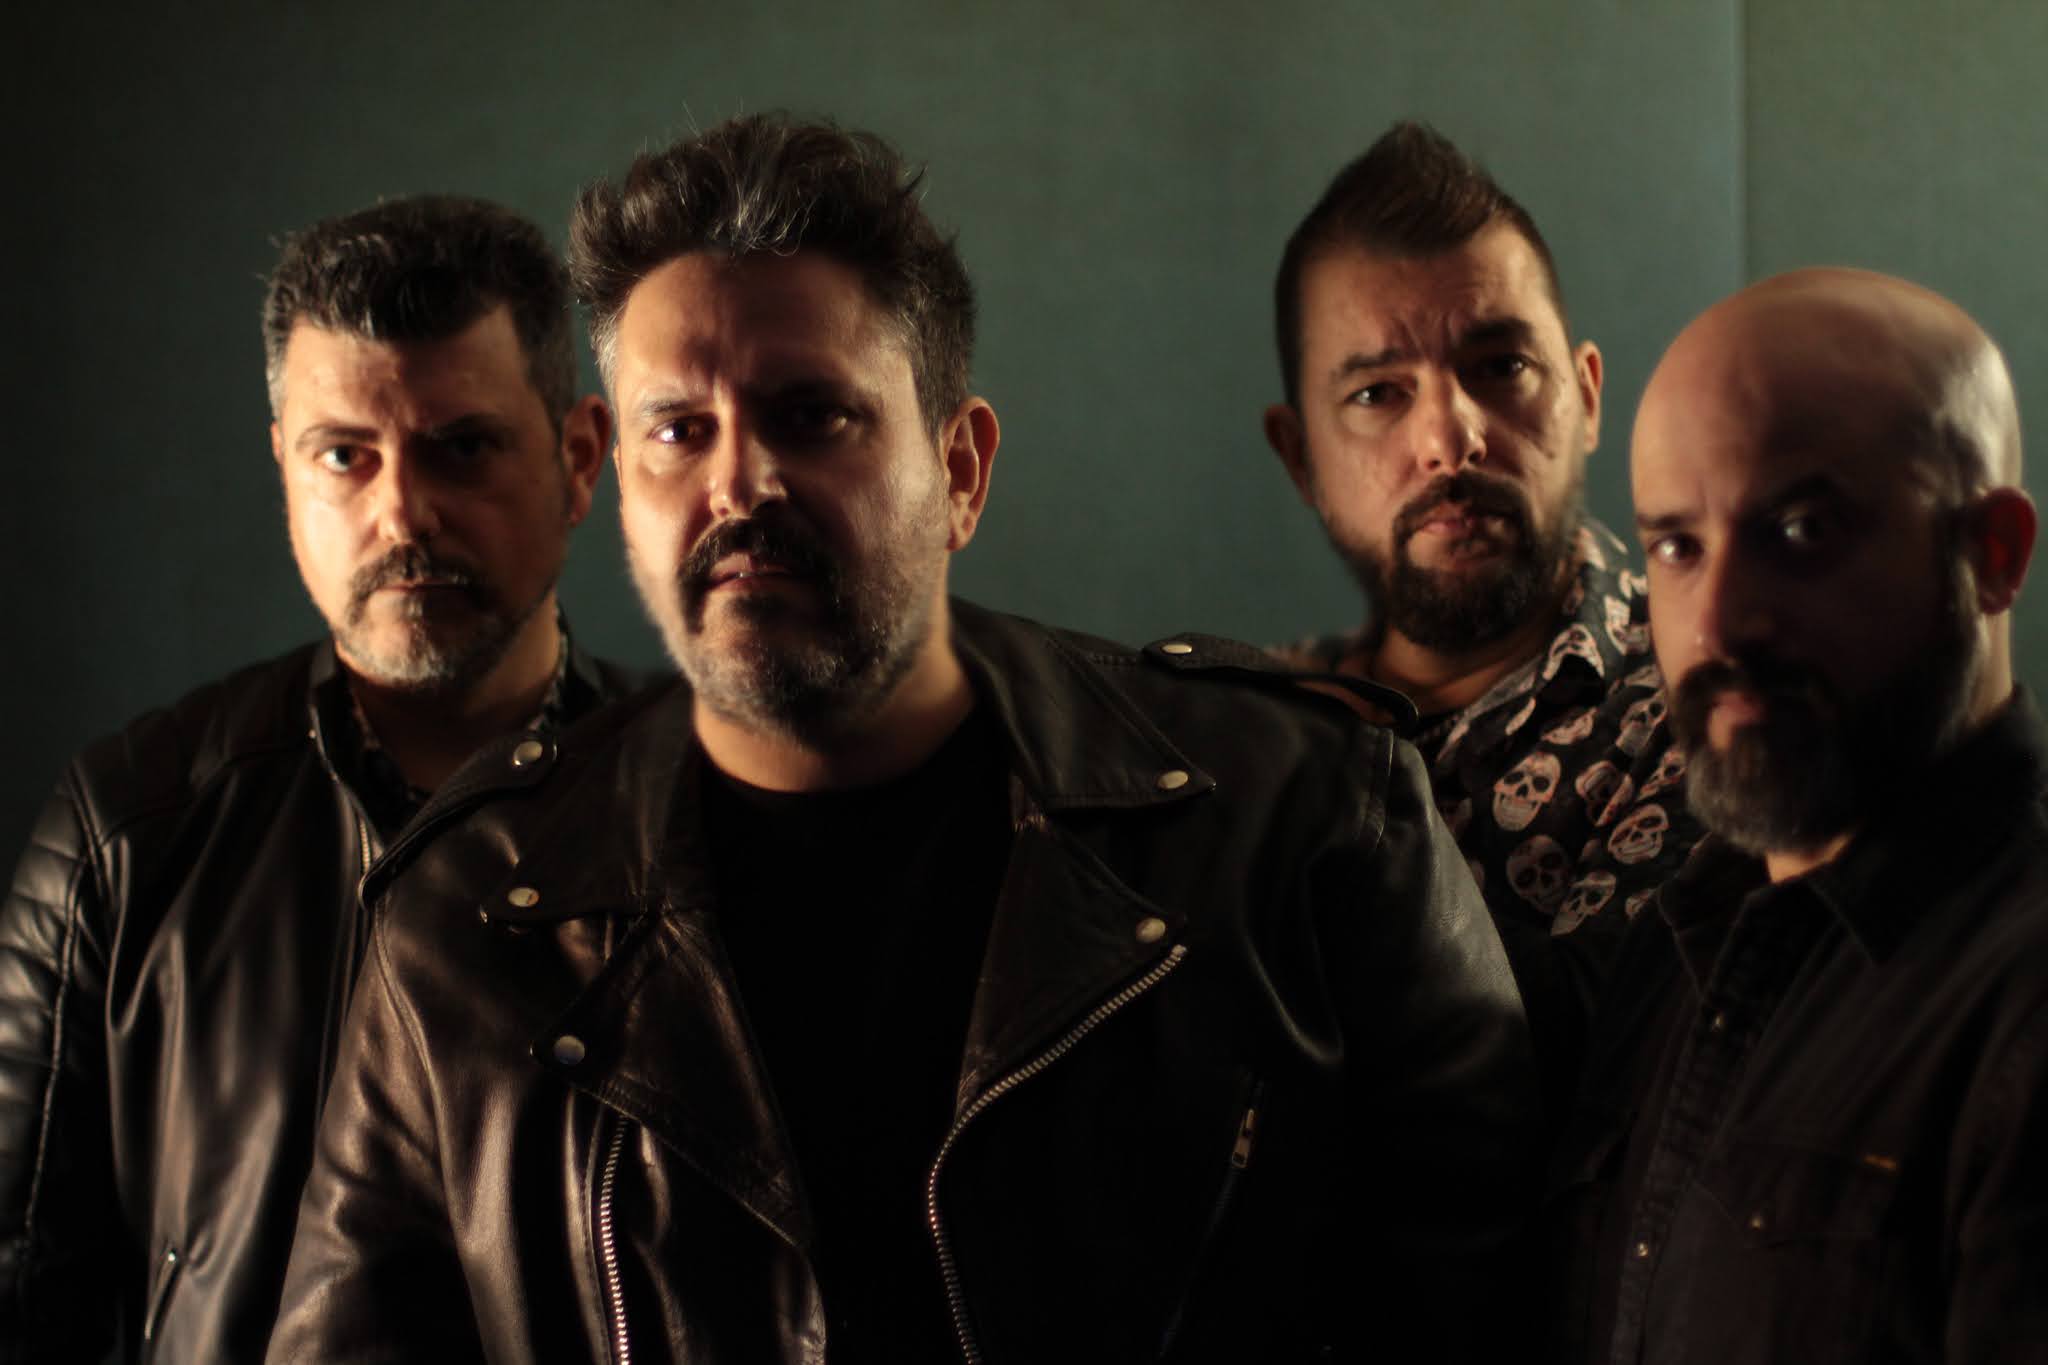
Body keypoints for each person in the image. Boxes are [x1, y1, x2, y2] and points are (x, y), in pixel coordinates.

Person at [266, 115, 1537, 1364]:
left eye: (811, 414)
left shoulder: (1300, 820)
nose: (738, 484)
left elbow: (1498, 1303)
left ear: (959, 470)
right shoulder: (468, 928)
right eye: (678, 430)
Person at [0, 195, 639, 1362]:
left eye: (463, 447)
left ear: (579, 457)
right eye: (345, 455)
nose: (403, 513)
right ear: (286, 473)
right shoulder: (127, 830)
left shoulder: (694, 806)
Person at [1547, 267, 2048, 1362]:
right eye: (1676, 546)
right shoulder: (1675, 944)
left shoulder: (2022, 1001)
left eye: (1801, 531)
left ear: (1992, 556)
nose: (1720, 622)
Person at [1262, 122, 1702, 1104]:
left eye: (1500, 368)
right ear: (1300, 459)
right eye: (1378, 392)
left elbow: (1579, 1082)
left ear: (1586, 396)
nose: (1449, 436)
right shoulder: (1248, 726)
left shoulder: (1702, 704)